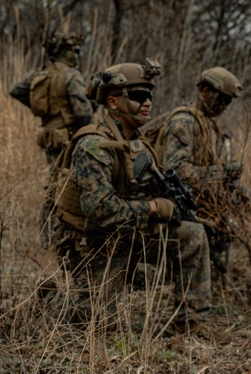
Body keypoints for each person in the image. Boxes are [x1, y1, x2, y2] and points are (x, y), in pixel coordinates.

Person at [51, 60, 213, 327]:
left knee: (193, 235)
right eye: (138, 96)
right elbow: (99, 210)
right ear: (113, 102)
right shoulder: (94, 145)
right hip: (92, 242)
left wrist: (173, 208)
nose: (147, 102)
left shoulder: (138, 143)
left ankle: (192, 321)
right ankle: (51, 297)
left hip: (126, 233)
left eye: (149, 96)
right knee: (99, 323)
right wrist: (153, 208)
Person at [147, 67, 245, 275]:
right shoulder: (184, 121)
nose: (224, 107)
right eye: (222, 100)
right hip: (176, 208)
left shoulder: (209, 125)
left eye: (228, 102)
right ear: (206, 91)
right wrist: (222, 172)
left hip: (201, 204)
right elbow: (176, 170)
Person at [9, 33, 92, 167]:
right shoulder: (71, 74)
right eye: (75, 51)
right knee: (72, 175)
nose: (77, 56)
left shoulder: (41, 74)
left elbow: (16, 90)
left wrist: (44, 106)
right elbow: (83, 113)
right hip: (70, 136)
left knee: (55, 174)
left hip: (50, 136)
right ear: (64, 52)